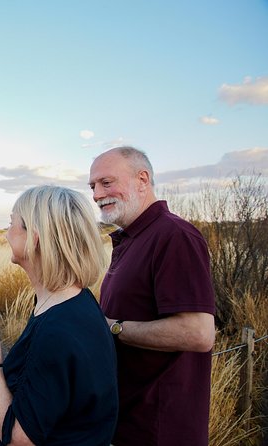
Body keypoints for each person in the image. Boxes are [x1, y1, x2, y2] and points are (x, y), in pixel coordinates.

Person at [0, 185, 118, 445]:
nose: (5, 234)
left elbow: (17, 440)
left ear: (35, 238)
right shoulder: (71, 302)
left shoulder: (56, 329)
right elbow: (48, 395)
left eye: (12, 223)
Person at [88, 146, 216, 446]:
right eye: (92, 186)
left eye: (106, 182)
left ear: (142, 180)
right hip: (129, 421)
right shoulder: (134, 238)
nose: (96, 194)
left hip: (161, 429)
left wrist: (112, 328)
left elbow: (198, 333)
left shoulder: (174, 235)